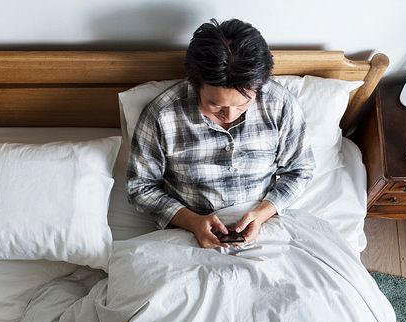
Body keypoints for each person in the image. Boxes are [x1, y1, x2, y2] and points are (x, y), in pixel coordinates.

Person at [127, 18, 314, 249]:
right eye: (215, 105)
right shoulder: (163, 114)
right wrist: (192, 221)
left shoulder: (281, 104)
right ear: (195, 84)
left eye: (243, 103)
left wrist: (263, 213)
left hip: (266, 226)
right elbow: (140, 186)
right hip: (187, 232)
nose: (230, 115)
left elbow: (300, 170)